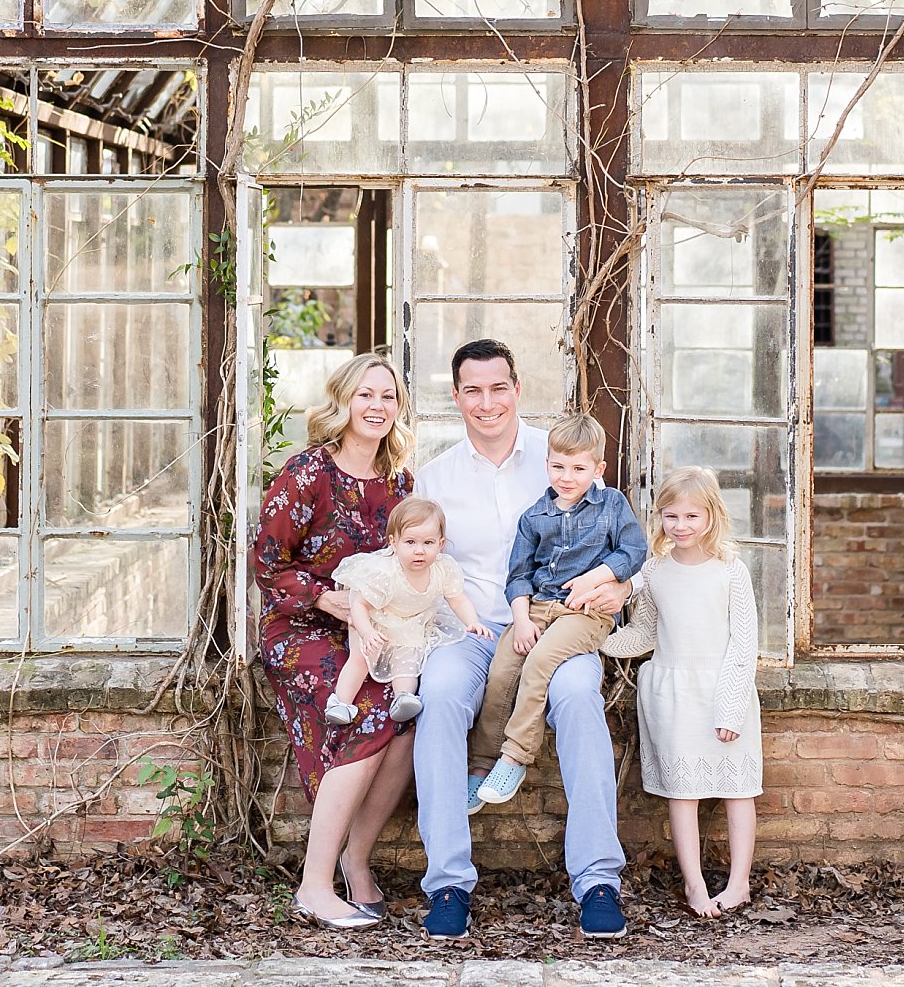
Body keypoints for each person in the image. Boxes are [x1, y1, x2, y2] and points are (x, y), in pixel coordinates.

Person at [412, 339, 634, 941]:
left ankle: (597, 880)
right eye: (473, 391)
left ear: (517, 389)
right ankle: (448, 883)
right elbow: (418, 563)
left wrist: (620, 586)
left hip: (558, 626)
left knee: (580, 698)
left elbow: (625, 541)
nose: (487, 403)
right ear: (456, 397)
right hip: (470, 632)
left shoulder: (560, 455)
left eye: (498, 388)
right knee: (439, 698)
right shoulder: (435, 476)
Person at [252, 352, 418, 930]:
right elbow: (267, 563)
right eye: (365, 394)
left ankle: (356, 859)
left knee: (407, 721)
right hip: (299, 628)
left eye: (388, 396)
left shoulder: (400, 482)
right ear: (343, 401)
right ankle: (314, 886)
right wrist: (328, 599)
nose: (377, 406)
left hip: (370, 633)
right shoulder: (308, 473)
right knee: (368, 712)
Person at [602, 466, 762, 919]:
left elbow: (743, 644)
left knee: (738, 789)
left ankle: (739, 883)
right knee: (683, 791)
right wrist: (595, 639)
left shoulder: (730, 571)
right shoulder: (654, 571)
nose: (681, 525)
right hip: (673, 695)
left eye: (692, 516)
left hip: (722, 691)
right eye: (670, 516)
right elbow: (644, 633)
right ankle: (694, 885)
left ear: (711, 515)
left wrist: (730, 708)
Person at [471, 415, 646, 808]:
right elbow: (519, 575)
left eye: (579, 469)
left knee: (541, 662)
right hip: (537, 607)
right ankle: (482, 763)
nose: (567, 477)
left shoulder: (611, 504)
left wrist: (595, 578)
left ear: (598, 469)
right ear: (547, 463)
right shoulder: (535, 516)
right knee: (502, 669)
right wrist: (520, 620)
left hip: (585, 613)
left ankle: (515, 756)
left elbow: (634, 551)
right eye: (558, 467)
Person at [328, 497, 494, 726]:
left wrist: (472, 621)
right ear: (394, 543)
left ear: (441, 544)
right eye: (410, 542)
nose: (419, 551)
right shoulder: (385, 573)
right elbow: (359, 605)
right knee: (361, 658)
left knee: (408, 657)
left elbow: (458, 600)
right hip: (373, 618)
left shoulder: (442, 569)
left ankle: (403, 697)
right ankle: (340, 702)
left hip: (411, 620)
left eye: (428, 543)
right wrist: (367, 633)